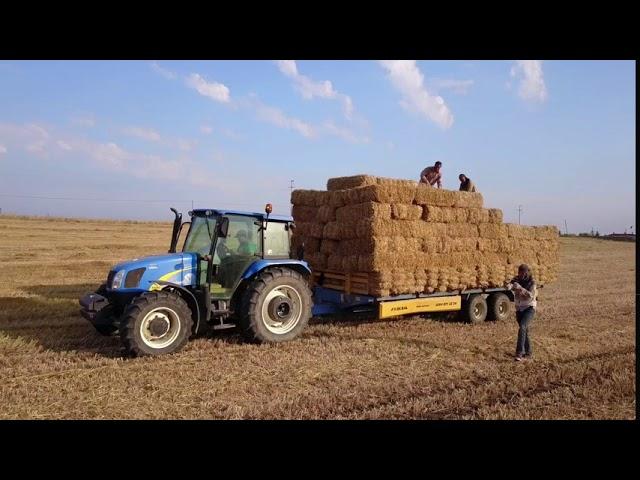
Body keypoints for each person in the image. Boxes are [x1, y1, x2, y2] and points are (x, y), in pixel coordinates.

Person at [506, 264, 538, 361]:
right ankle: (528, 352)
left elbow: (530, 295)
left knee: (522, 327)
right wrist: (508, 286)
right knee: (524, 330)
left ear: (526, 272)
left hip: (529, 308)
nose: (519, 275)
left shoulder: (532, 282)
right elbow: (510, 285)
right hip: (519, 309)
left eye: (522, 273)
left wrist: (520, 288)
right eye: (519, 272)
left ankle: (519, 353)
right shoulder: (516, 278)